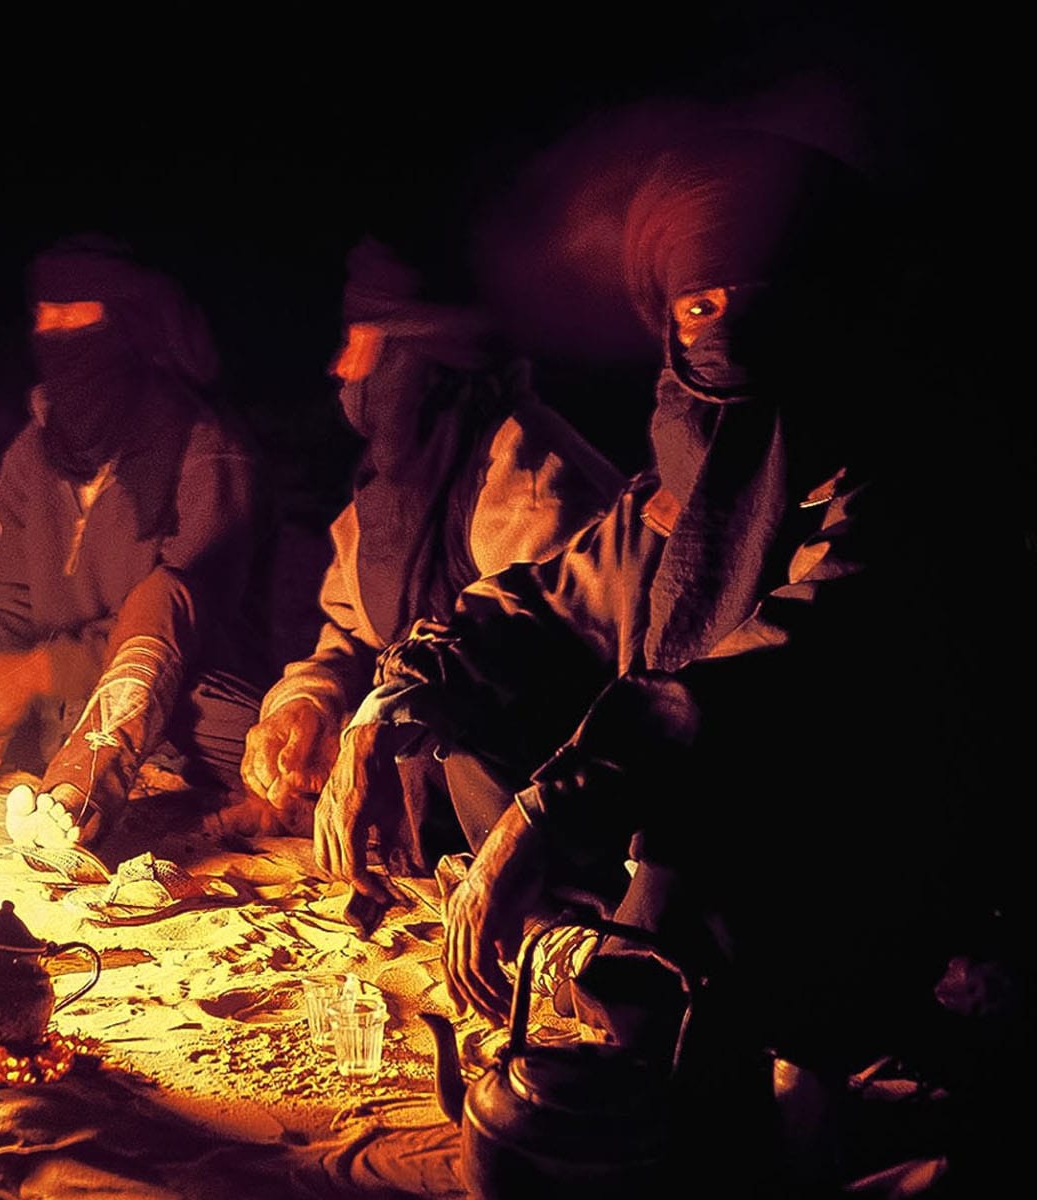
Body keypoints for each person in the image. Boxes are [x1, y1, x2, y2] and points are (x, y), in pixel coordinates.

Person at [313, 128, 967, 1177]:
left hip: (839, 859)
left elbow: (758, 680)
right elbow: (536, 604)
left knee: (685, 829)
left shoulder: (901, 485)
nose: (726, 332)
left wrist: (547, 809)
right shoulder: (680, 475)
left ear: (832, 299)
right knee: (469, 717)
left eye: (759, 298)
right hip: (683, 828)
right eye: (699, 306)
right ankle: (604, 972)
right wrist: (385, 710)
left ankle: (776, 1084)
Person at [239, 238, 625, 847]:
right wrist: (309, 702)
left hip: (541, 805)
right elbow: (351, 638)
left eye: (355, 344)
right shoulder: (382, 495)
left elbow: (533, 662)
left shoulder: (527, 474)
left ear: (410, 357)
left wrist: (386, 722)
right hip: (419, 755)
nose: (339, 368)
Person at [0, 233, 271, 853]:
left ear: (128, 328)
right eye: (44, 316)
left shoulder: (207, 451)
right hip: (62, 743)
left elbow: (185, 615)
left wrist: (36, 671)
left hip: (196, 751)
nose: (54, 331)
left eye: (76, 316)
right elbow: (2, 598)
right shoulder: (34, 455)